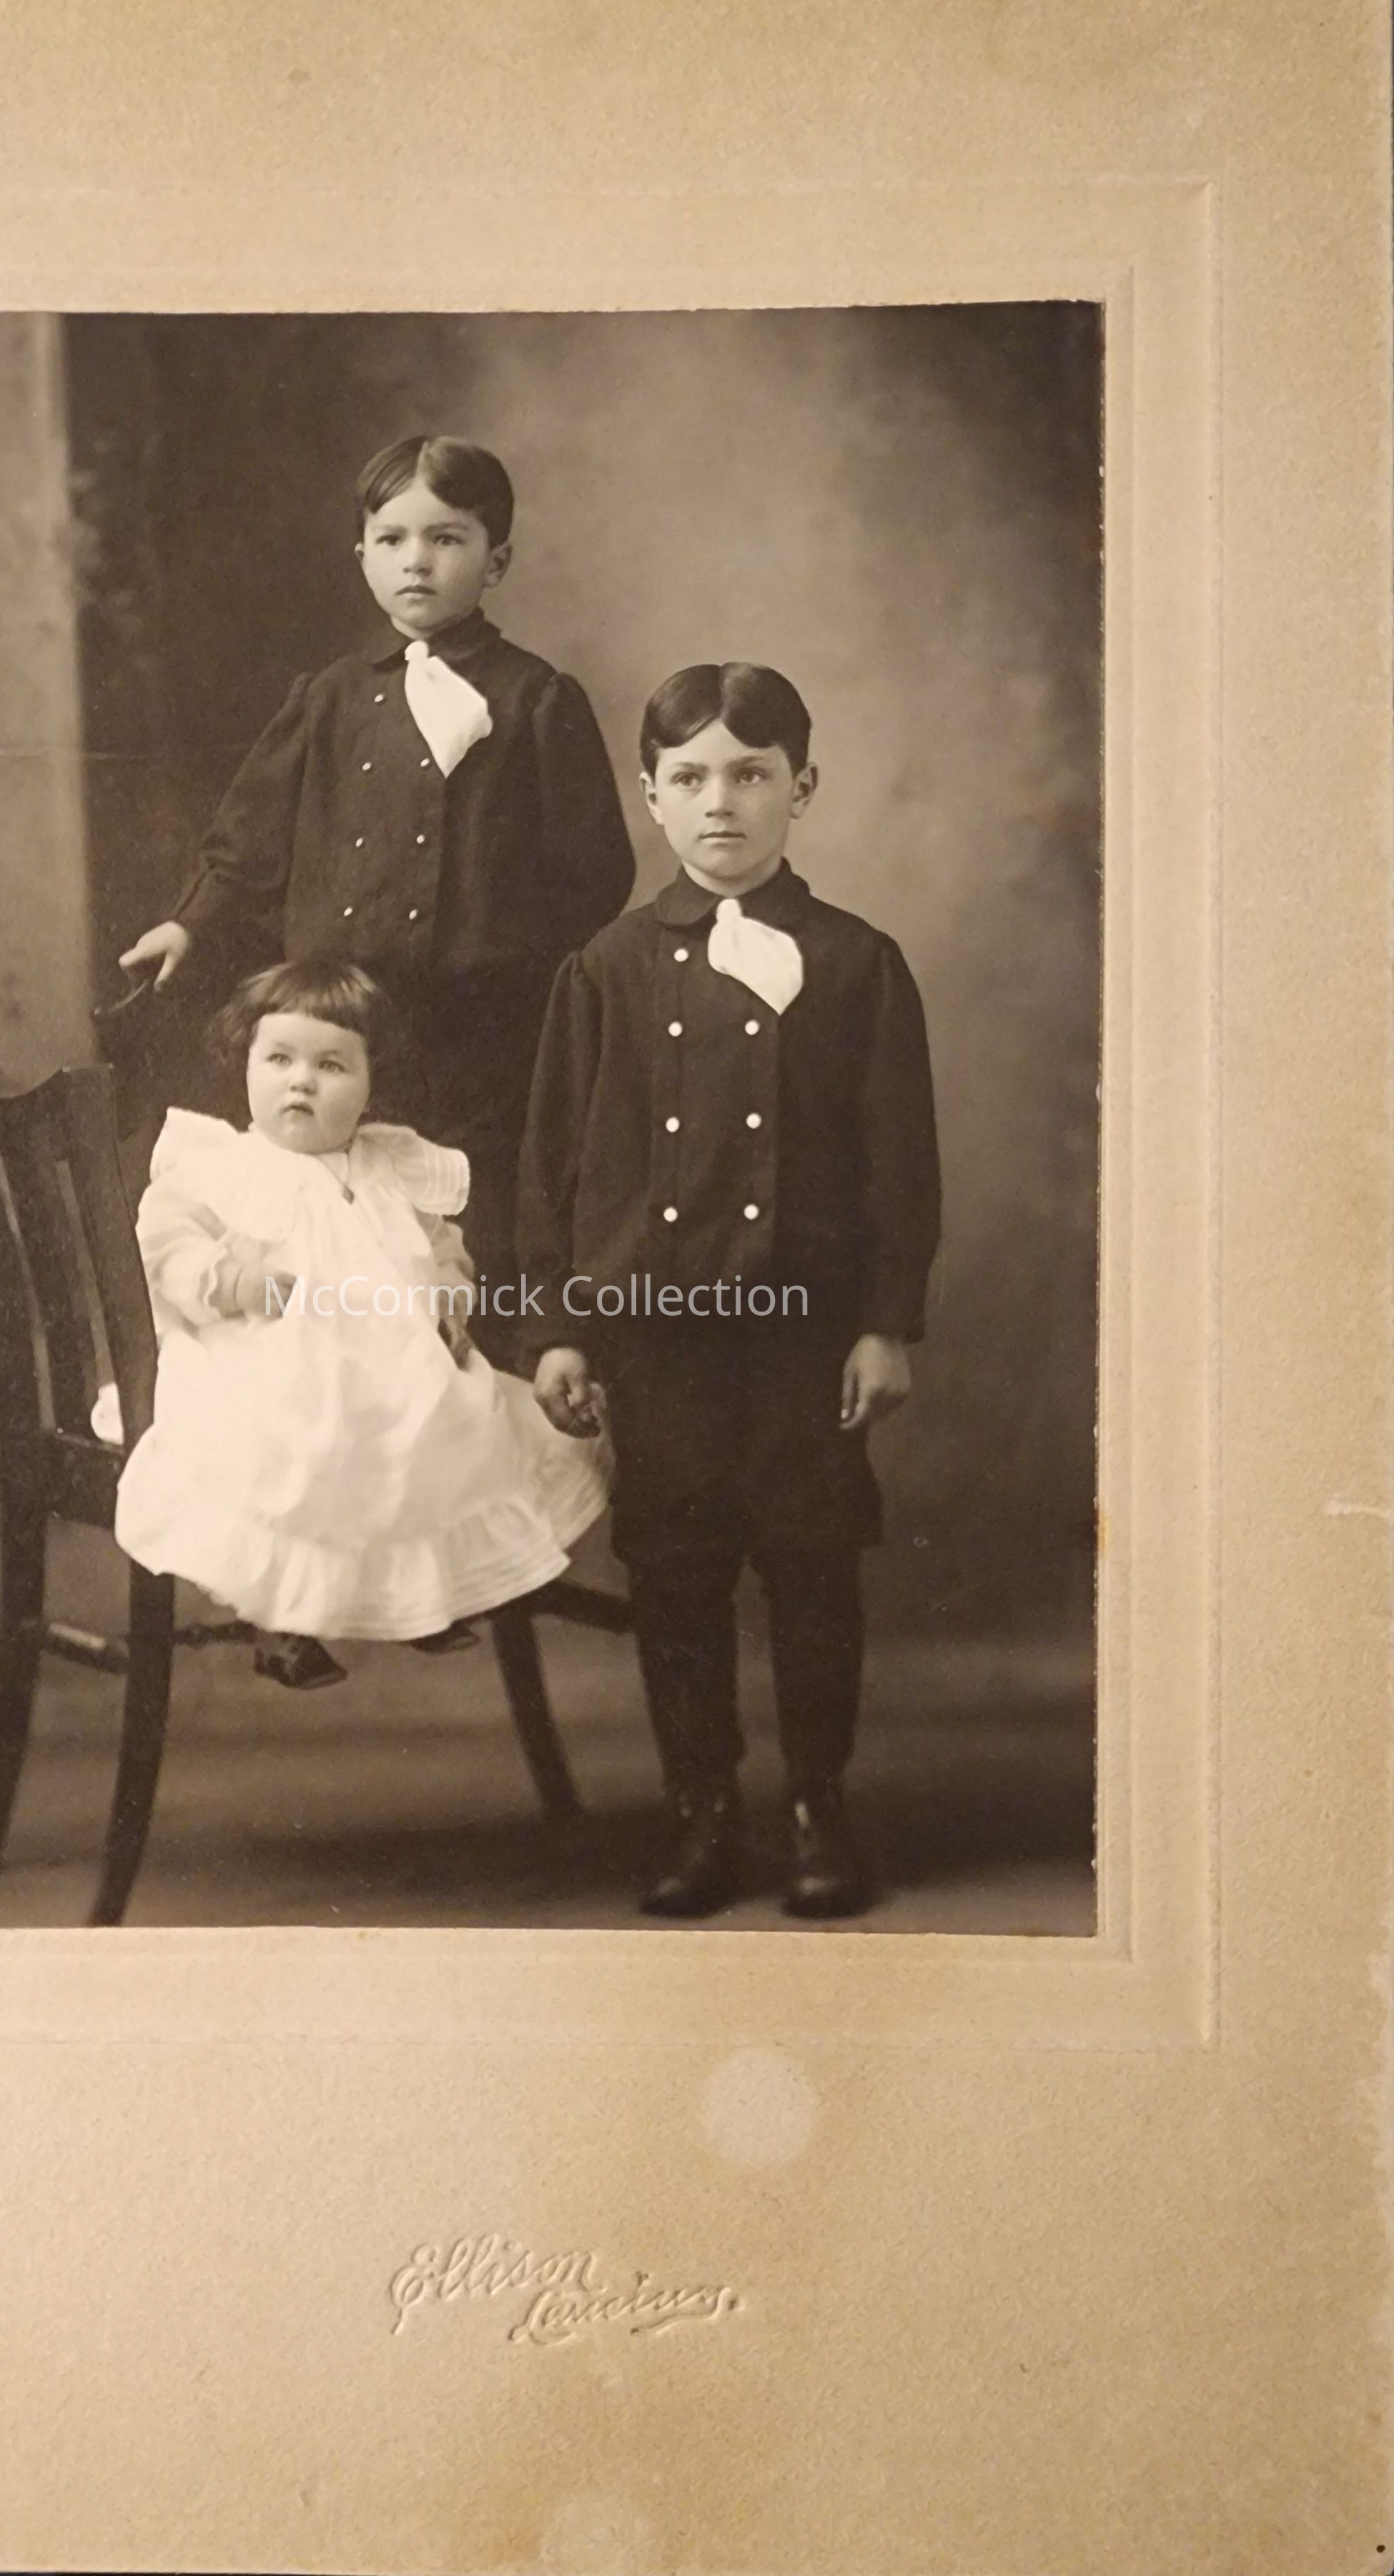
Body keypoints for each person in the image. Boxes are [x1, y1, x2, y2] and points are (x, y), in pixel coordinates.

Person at [518, 664, 941, 1920]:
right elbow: (553, 1163)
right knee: (677, 1570)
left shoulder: (858, 963)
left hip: (805, 1335)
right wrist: (560, 1329)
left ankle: (818, 1805)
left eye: (751, 775)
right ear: (652, 795)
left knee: (813, 1566)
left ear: (801, 788)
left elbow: (900, 1161)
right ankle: (702, 1811)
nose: (722, 803)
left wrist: (886, 1322)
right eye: (691, 778)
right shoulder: (605, 968)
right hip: (659, 1337)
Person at [117, 434, 636, 1335]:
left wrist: (514, 961)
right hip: (342, 1026)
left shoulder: (537, 699)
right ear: (362, 555)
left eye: (446, 538)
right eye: (392, 539)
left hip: (484, 1037)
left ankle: (470, 1390)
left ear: (496, 560)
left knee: (467, 1221)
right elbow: (249, 839)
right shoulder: (331, 697)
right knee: (342, 1222)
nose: (416, 561)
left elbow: (593, 872)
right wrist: (192, 923)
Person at [104, 959, 607, 1688]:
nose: (301, 1082)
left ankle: (422, 1596)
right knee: (300, 1439)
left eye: (331, 1065)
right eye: (279, 1060)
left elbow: (441, 1244)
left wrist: (447, 1293)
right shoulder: (223, 1166)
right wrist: (233, 1282)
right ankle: (282, 1616)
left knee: (444, 1416)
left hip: (392, 1359)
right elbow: (167, 1249)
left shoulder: (390, 1164)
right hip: (265, 1359)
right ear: (245, 1064)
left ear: (372, 1084)